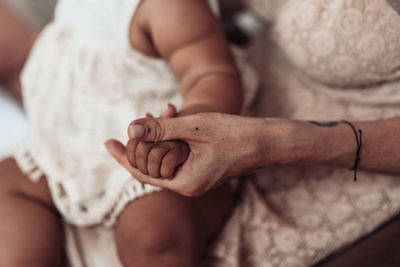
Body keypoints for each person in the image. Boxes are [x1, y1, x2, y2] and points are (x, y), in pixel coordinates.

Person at [107, 1, 400, 266]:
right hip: (248, 101)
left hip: (345, 148)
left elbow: (205, 69)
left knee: (154, 236)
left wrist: (198, 125)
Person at [0, 0, 253, 266]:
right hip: (72, 147)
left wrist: (184, 133)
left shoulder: (169, 7)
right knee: (7, 185)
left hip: (150, 156)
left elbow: (210, 74)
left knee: (154, 235)